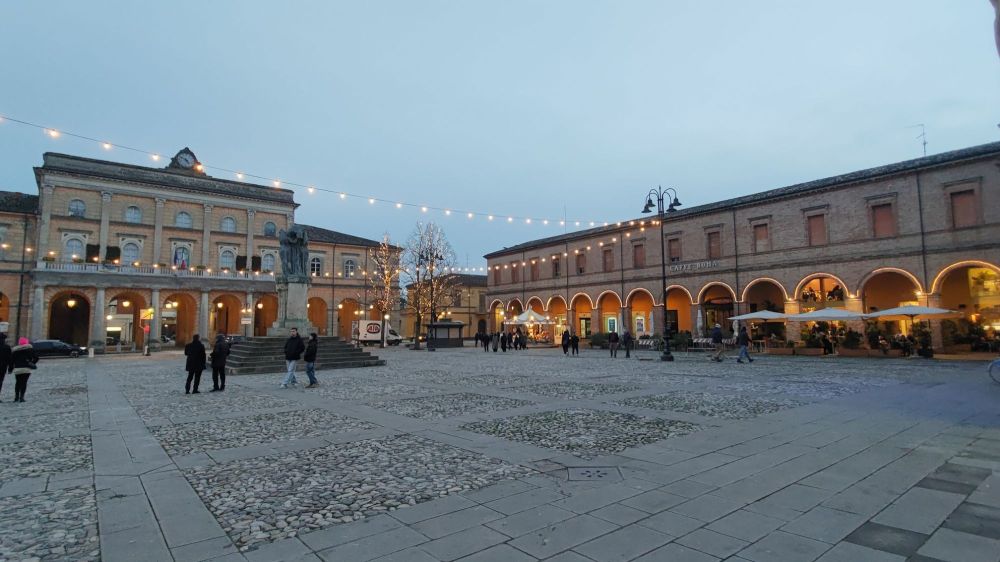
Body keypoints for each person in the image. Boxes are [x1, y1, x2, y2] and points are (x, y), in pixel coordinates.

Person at [10, 337, 37, 403]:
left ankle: (16, 398)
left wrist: (10, 369)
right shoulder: (30, 350)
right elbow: (36, 358)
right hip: (26, 368)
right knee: (24, 383)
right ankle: (22, 398)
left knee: (18, 383)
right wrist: (32, 363)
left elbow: (12, 361)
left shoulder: (15, 350)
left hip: (18, 368)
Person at [0, 334, 11, 401]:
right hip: (2, 368)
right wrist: (10, 368)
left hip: (3, 368)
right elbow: (9, 359)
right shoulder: (7, 347)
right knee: (0, 382)